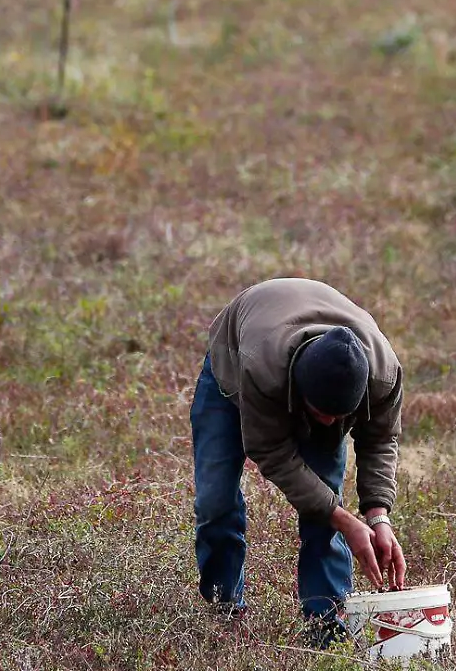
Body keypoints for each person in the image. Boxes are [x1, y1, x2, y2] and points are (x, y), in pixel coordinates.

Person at [191, 277, 408, 646]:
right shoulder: (262, 369)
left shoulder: (383, 374)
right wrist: (344, 519)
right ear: (300, 391)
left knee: (325, 504)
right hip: (236, 357)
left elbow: (380, 439)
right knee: (215, 502)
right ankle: (224, 613)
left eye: (339, 416)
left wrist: (377, 517)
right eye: (320, 413)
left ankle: (326, 629)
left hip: (298, 346)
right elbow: (272, 452)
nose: (327, 423)